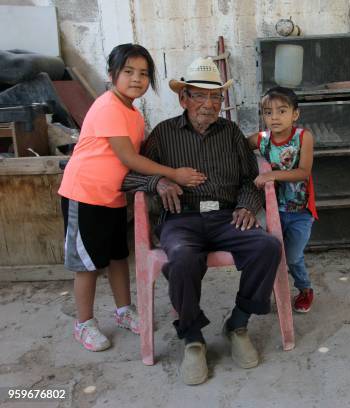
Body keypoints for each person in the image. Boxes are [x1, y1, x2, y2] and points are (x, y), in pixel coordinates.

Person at [122, 57, 281, 385]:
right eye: (200, 96)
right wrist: (159, 182)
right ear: (184, 99)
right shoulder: (165, 133)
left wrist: (248, 207)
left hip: (226, 216)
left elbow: (251, 178)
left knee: (267, 246)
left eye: (215, 98)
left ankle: (237, 324)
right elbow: (129, 178)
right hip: (181, 220)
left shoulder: (231, 132)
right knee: (181, 257)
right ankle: (192, 337)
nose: (209, 105)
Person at [58, 43, 205, 353]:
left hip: (112, 196)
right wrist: (173, 174)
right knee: (87, 264)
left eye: (143, 73)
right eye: (128, 72)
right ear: (112, 74)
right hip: (84, 194)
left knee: (116, 257)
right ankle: (83, 323)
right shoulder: (108, 105)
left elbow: (142, 152)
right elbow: (129, 157)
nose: (137, 79)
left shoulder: (133, 114)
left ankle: (124, 310)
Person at [248, 86, 318, 313]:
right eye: (268, 112)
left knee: (293, 256)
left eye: (281, 111)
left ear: (295, 114)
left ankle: (305, 289)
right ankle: (272, 290)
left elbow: (303, 172)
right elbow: (237, 144)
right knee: (270, 254)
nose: (274, 117)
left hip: (300, 212)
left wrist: (271, 174)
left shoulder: (303, 137)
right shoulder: (262, 139)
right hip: (272, 212)